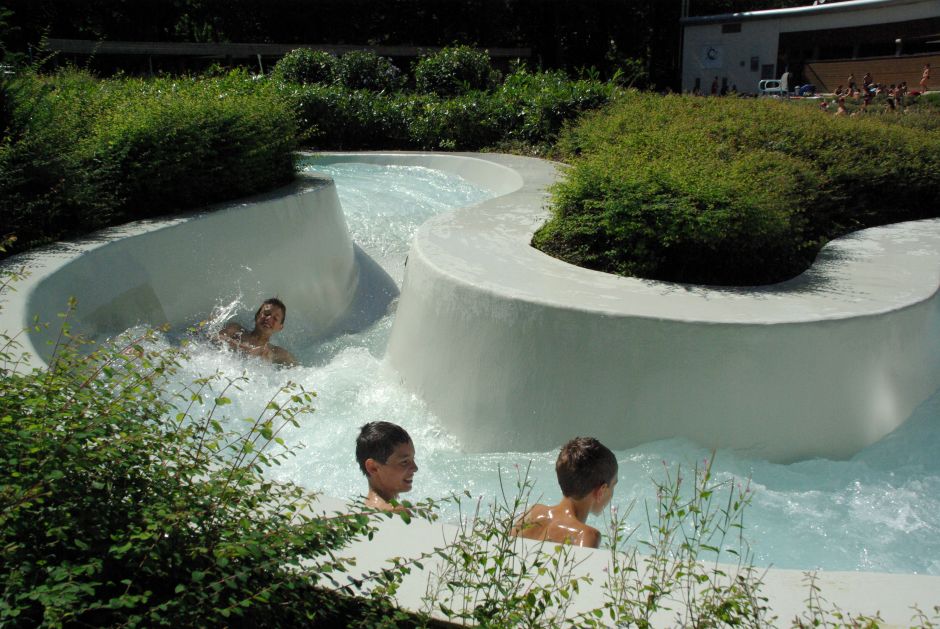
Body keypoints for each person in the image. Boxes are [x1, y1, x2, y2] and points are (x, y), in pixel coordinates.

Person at [513, 437, 618, 549]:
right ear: (601, 490)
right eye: (613, 486)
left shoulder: (531, 513)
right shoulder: (586, 536)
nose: (612, 493)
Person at [356, 421, 418, 512]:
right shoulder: (396, 513)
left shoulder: (364, 509)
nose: (415, 468)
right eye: (404, 462)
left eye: (413, 459)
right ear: (373, 467)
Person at [216, 297, 297, 366]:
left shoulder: (277, 353)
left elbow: (299, 371)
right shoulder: (235, 330)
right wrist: (246, 350)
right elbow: (213, 338)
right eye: (266, 313)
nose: (268, 319)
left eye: (275, 318)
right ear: (257, 316)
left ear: (280, 328)